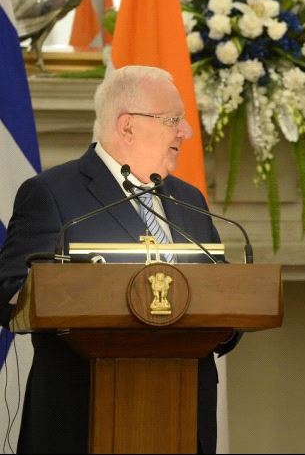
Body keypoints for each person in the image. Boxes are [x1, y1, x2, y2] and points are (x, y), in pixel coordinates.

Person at [0, 66, 235, 453]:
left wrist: (221, 327)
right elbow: (10, 290)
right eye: (173, 119)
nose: (186, 131)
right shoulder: (51, 193)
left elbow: (226, 290)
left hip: (183, 414)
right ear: (127, 126)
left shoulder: (189, 199)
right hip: (81, 417)